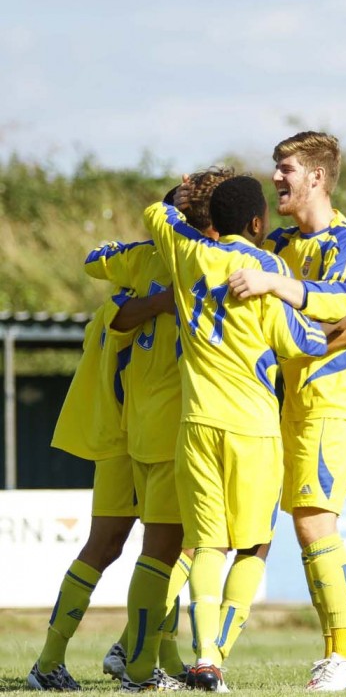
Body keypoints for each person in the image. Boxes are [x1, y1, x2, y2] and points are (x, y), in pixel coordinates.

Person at [144, 174, 346, 692]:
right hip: (253, 427)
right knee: (253, 547)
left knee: (206, 546)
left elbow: (156, 217)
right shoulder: (267, 266)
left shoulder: (186, 253)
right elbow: (300, 343)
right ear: (257, 224)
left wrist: (176, 200)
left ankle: (206, 657)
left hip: (196, 422)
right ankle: (341, 651)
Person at [227, 131, 346, 691]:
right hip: (285, 402)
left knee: (315, 519)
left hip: (334, 401)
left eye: (285, 168)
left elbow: (339, 301)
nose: (276, 178)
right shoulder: (282, 244)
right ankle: (207, 653)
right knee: (286, 524)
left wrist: (274, 283)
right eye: (275, 168)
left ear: (316, 176)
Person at [83, 168, 237, 691]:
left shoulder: (155, 260)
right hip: (183, 429)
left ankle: (146, 656)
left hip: (151, 430)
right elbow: (98, 263)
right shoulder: (203, 264)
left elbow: (94, 262)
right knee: (174, 550)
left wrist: (140, 295)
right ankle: (139, 661)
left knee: (170, 549)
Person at [26, 289, 138, 691]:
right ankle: (134, 656)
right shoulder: (150, 297)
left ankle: (55, 660)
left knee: (107, 547)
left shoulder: (121, 299)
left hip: (124, 440)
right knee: (178, 546)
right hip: (143, 440)